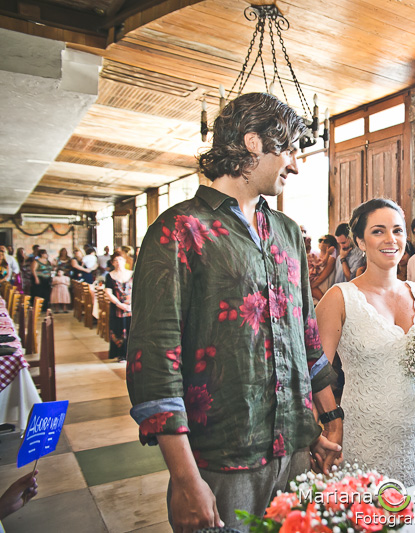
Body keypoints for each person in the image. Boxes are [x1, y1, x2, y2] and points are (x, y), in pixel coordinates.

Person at [127, 92, 341, 533]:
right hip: (221, 457)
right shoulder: (177, 230)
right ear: (253, 143)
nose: (297, 165)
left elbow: (306, 338)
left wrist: (323, 420)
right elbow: (154, 366)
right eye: (289, 149)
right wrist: (186, 480)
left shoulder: (285, 231)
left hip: (296, 449)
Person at [316, 198, 415, 486]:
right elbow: (315, 369)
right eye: (378, 231)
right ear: (360, 240)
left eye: (397, 231)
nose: (390, 239)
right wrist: (331, 422)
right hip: (365, 437)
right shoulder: (339, 297)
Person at [105, 253, 132, 362]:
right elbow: (108, 291)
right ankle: (121, 354)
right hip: (117, 307)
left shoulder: (132, 274)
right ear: (112, 263)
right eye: (115, 260)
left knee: (131, 329)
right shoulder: (110, 275)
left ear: (125, 261)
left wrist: (131, 304)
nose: (118, 262)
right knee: (118, 330)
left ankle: (132, 353)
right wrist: (119, 304)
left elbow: (138, 289)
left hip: (131, 307)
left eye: (120, 259)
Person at [311, 234, 337, 303]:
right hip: (312, 298)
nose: (322, 242)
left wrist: (311, 286)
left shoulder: (331, 259)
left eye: (325, 241)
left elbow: (321, 278)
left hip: (323, 293)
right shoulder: (314, 257)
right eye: (320, 240)